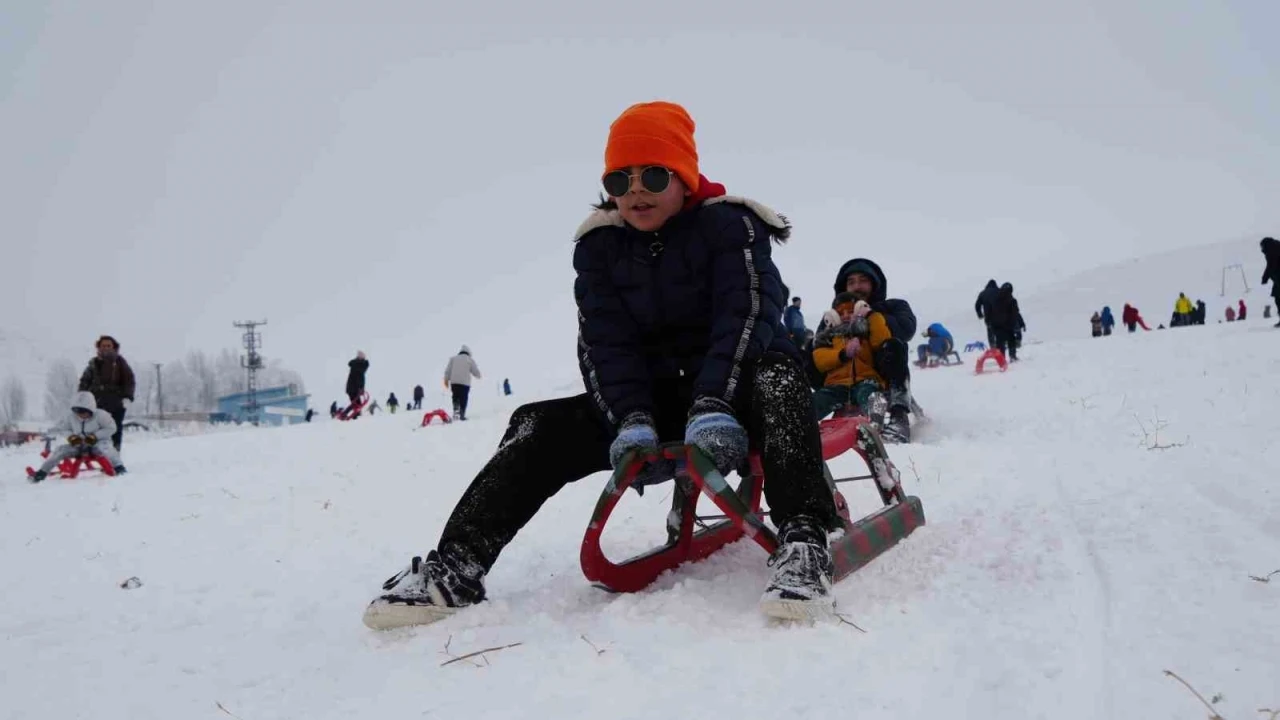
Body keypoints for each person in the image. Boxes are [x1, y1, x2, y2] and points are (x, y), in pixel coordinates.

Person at [363, 100, 843, 630]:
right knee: (537, 424)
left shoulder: (730, 226)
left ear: (684, 177)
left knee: (779, 380)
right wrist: (631, 418)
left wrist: (714, 402)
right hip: (657, 400)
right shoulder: (600, 247)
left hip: (739, 387)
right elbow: (605, 345)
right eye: (620, 178)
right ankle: (456, 566)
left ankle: (804, 540)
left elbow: (748, 315)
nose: (636, 190)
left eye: (653, 175)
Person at [827, 258, 916, 443]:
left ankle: (899, 416)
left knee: (894, 345)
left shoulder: (894, 306)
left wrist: (871, 315)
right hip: (848, 377)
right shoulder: (836, 316)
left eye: (863, 280)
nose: (857, 286)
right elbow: (820, 349)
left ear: (874, 284)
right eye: (851, 282)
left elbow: (906, 330)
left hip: (883, 370)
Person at [810, 294, 891, 421]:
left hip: (866, 380)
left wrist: (872, 316)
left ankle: (876, 421)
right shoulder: (828, 338)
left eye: (851, 311)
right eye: (841, 313)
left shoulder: (867, 332)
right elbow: (820, 360)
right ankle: (799, 425)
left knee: (871, 395)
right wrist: (843, 354)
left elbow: (882, 341)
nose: (846, 316)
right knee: (814, 402)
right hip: (836, 385)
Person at [29, 391, 125, 482]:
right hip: (79, 445)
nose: (80, 415)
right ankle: (42, 473)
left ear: (91, 409)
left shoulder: (101, 415)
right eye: (78, 412)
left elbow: (111, 428)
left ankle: (119, 467)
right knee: (60, 450)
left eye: (83, 412)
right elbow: (64, 429)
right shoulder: (70, 417)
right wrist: (71, 437)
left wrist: (95, 436)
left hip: (98, 443)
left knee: (106, 448)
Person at [77, 335, 136, 452]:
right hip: (96, 404)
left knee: (114, 430)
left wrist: (127, 397)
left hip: (116, 404)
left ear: (114, 347)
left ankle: (114, 454)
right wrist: (81, 399)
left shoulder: (120, 362)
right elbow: (84, 382)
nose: (106, 348)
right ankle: (94, 453)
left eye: (109, 346)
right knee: (94, 429)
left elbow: (129, 380)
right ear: (99, 347)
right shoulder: (93, 364)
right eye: (103, 345)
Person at [987, 282, 1025, 361]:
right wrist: (1021, 324)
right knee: (1011, 340)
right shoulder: (1012, 300)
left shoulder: (995, 299)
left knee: (1000, 342)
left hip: (996, 325)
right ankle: (1012, 356)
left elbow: (989, 311)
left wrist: (989, 323)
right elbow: (1016, 314)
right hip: (1008, 325)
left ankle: (1001, 359)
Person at [443, 345, 482, 421]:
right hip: (465, 383)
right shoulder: (470, 360)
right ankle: (462, 414)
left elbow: (448, 370)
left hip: (454, 382)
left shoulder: (453, 359)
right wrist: (478, 375)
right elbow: (476, 372)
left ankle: (456, 411)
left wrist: (446, 380)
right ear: (468, 353)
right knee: (463, 398)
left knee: (455, 396)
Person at [975, 279, 1000, 348]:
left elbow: (977, 305)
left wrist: (980, 314)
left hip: (989, 318)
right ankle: (1001, 346)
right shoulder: (999, 291)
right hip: (1000, 316)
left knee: (990, 332)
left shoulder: (983, 293)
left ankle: (992, 347)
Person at [1262, 237, 1280, 326]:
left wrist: (1265, 278)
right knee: (1278, 298)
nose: (1262, 250)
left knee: (1278, 299)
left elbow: (1271, 266)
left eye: (1262, 247)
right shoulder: (1275, 250)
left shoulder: (1272, 252)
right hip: (1277, 280)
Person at [345, 352, 369, 418]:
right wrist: (361, 388)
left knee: (355, 403)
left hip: (353, 388)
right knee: (356, 403)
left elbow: (360, 378)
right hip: (353, 388)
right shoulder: (357, 366)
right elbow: (359, 379)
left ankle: (354, 415)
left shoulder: (356, 365)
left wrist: (361, 388)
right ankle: (355, 416)